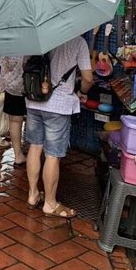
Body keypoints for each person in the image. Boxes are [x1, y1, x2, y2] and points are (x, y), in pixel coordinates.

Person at [25, 37, 93, 218]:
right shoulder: (78, 42)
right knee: (52, 155)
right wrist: (82, 92)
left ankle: (32, 194)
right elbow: (87, 78)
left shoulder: (38, 35)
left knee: (35, 146)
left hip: (34, 99)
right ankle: (50, 203)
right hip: (58, 105)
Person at [0, 56, 27, 165]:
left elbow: (4, 65)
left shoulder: (9, 42)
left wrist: (2, 84)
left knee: (15, 121)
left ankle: (18, 155)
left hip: (12, 85)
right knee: (35, 119)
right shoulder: (33, 44)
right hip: (31, 85)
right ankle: (35, 151)